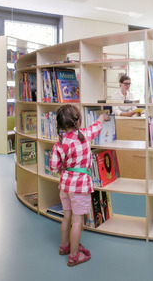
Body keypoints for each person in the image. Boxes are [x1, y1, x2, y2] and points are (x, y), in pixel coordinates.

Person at [50, 104, 109, 267]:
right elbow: (97, 127)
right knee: (77, 221)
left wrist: (65, 167)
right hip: (80, 186)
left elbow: (54, 167)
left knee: (66, 217)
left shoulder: (59, 144)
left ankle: (64, 247)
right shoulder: (84, 135)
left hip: (65, 185)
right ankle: (74, 256)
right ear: (78, 120)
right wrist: (102, 117)